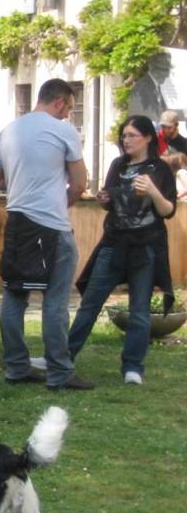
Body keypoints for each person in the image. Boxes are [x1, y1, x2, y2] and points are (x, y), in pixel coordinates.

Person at [0, 78, 90, 390]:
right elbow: (80, 183)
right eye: (68, 108)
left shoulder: (8, 131)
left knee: (15, 295)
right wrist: (61, 200)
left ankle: (16, 367)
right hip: (52, 226)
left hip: (17, 223)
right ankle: (60, 372)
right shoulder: (63, 131)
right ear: (59, 102)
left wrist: (22, 178)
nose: (68, 114)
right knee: (55, 301)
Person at [68, 115, 176, 384]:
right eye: (124, 136)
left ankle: (133, 367)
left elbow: (168, 210)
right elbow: (110, 202)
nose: (126, 140)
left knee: (139, 310)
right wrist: (104, 199)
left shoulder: (160, 169)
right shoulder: (118, 165)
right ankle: (64, 357)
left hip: (146, 246)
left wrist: (152, 191)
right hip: (114, 243)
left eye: (132, 135)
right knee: (90, 303)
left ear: (147, 138)